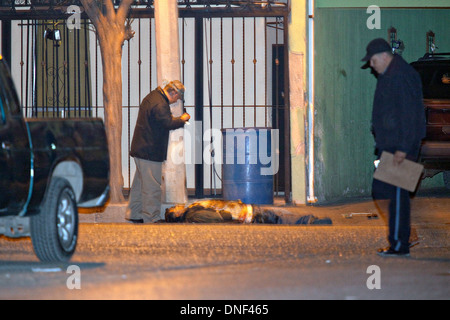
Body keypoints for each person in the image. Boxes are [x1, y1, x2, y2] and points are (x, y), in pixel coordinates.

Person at [361, 38, 426, 257]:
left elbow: (409, 114)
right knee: (383, 191)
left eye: (372, 61)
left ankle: (399, 245)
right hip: (391, 146)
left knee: (396, 196)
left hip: (401, 147)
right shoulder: (390, 74)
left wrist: (403, 148)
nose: (371, 65)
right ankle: (400, 238)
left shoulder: (400, 75)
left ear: (384, 56)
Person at [126, 80, 190, 223]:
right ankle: (151, 218)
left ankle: (135, 214)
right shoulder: (160, 104)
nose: (175, 102)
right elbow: (167, 123)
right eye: (177, 98)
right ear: (173, 93)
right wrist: (183, 119)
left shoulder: (152, 96)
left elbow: (160, 120)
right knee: (152, 187)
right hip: (150, 152)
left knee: (139, 185)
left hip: (141, 149)